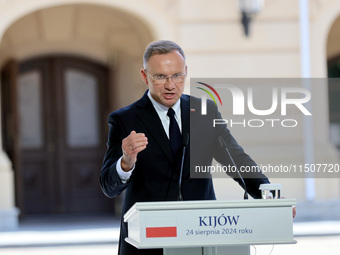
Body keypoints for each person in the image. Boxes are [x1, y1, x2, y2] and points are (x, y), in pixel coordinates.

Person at [100, 40, 274, 255]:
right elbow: (109, 186)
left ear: (186, 72)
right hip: (147, 240)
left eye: (177, 75)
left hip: (201, 235)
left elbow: (237, 160)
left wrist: (269, 195)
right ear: (145, 76)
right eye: (161, 76)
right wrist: (126, 162)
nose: (171, 85)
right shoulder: (124, 120)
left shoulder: (204, 111)